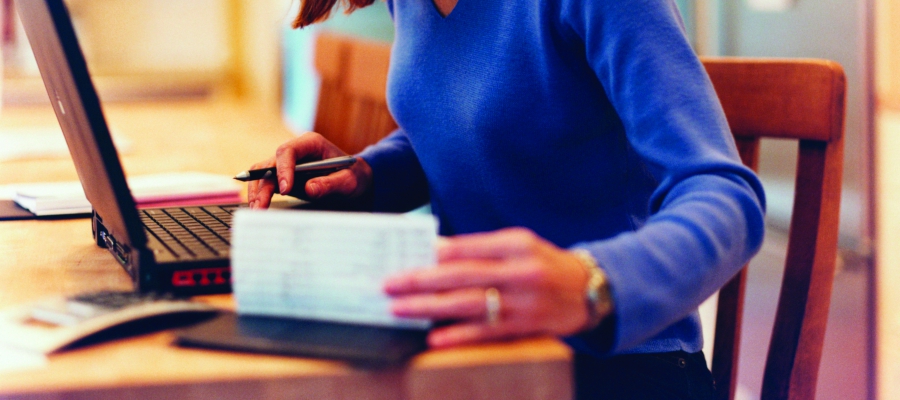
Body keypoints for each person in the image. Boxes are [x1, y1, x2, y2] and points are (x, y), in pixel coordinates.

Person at [248, 0, 766, 398]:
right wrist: (369, 175)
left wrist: (591, 283)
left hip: (619, 365)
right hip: (476, 350)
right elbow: (469, 120)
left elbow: (726, 194)